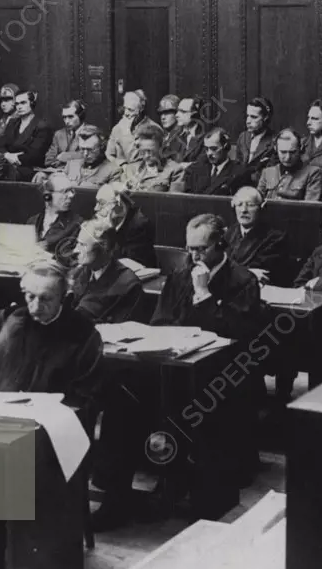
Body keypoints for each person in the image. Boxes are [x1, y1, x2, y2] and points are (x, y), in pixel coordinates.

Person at [93, 215, 264, 532]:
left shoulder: (243, 281)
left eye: (201, 249)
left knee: (188, 412)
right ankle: (116, 499)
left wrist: (205, 296)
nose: (194, 256)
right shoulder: (179, 276)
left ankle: (175, 487)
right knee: (122, 404)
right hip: (175, 369)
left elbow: (243, 335)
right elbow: (161, 323)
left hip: (220, 378)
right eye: (190, 248)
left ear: (220, 244)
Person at [0, 260, 103, 569]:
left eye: (46, 299)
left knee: (12, 464)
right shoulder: (7, 319)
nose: (35, 306)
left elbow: (86, 396)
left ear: (65, 297)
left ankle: (9, 558)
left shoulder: (83, 333)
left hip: (55, 434)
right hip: (0, 419)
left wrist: (43, 412)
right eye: (29, 296)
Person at [68, 219, 144, 323]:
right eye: (77, 244)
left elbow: (122, 330)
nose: (75, 250)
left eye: (82, 245)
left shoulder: (128, 284)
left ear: (104, 245)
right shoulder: (78, 273)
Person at [224, 186, 289, 285]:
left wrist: (230, 270)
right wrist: (249, 272)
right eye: (239, 205)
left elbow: (261, 271)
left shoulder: (275, 237)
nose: (244, 210)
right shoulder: (229, 233)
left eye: (250, 205)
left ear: (261, 207)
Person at [93, 182, 157, 267]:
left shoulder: (139, 224)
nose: (96, 208)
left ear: (120, 206)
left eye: (101, 203)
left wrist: (108, 231)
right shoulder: (112, 221)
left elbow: (128, 263)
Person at [0, 88, 53, 181]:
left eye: (23, 103)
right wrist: (7, 155)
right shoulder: (12, 123)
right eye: (17, 104)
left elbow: (36, 154)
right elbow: (1, 145)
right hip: (8, 165)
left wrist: (15, 157)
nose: (19, 107)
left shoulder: (42, 126)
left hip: (30, 170)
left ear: (32, 103)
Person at [29, 173, 83, 265]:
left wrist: (48, 256)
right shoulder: (32, 221)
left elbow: (74, 259)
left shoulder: (77, 224)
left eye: (71, 191)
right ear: (47, 196)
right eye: (64, 191)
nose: (70, 195)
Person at [257, 129, 322, 201]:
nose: (288, 158)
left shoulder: (312, 173)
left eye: (292, 152)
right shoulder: (267, 172)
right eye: (283, 152)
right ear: (275, 149)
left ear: (300, 148)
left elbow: (309, 208)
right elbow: (256, 201)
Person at [118, 122, 186, 192]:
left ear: (161, 148)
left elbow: (174, 201)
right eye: (143, 151)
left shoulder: (175, 170)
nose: (147, 155)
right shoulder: (131, 169)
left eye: (151, 152)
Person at [182, 128, 252, 196]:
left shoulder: (239, 173)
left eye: (214, 149)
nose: (209, 153)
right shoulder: (193, 170)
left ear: (226, 147)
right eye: (206, 149)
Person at [107, 90, 163, 164]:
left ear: (141, 108)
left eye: (130, 110)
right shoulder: (118, 128)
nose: (126, 113)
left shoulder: (155, 128)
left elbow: (158, 159)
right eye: (125, 108)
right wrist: (121, 164)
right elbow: (109, 154)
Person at [234, 97, 278, 183]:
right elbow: (237, 166)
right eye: (247, 116)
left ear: (265, 117)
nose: (248, 121)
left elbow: (269, 175)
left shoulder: (274, 141)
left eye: (254, 117)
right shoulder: (243, 137)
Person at [44, 99, 87, 168]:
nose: (66, 121)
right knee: (40, 176)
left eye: (70, 117)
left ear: (81, 116)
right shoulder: (59, 134)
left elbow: (88, 158)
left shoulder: (91, 133)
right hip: (58, 172)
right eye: (64, 117)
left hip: (79, 174)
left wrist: (67, 156)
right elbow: (48, 160)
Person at [170, 97, 206, 163]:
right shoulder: (174, 136)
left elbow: (201, 164)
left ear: (195, 115)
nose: (176, 115)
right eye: (178, 111)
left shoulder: (205, 137)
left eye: (182, 111)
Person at [158, 95, 181, 159]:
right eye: (161, 113)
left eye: (167, 112)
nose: (163, 117)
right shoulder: (162, 135)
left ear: (177, 114)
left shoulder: (182, 136)